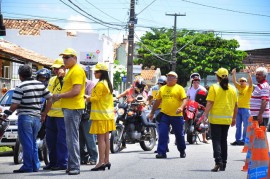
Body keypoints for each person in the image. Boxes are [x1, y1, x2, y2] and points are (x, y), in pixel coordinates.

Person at [3, 65, 52, 173]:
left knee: (26, 143)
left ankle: (28, 166)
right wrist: (44, 113)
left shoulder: (20, 86)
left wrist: (6, 115)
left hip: (25, 117)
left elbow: (15, 104)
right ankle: (35, 166)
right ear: (31, 74)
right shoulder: (40, 85)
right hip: (37, 118)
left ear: (20, 76)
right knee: (33, 142)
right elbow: (50, 98)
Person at [52, 48, 86, 175]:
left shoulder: (77, 70)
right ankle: (71, 165)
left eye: (67, 57)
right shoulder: (71, 70)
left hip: (73, 107)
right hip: (69, 107)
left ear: (74, 58)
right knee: (70, 138)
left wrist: (59, 96)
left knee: (72, 138)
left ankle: (75, 166)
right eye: (63, 58)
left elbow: (76, 91)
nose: (64, 60)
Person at [202, 67, 237, 172]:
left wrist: (205, 115)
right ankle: (224, 164)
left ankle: (218, 161)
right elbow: (236, 105)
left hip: (215, 119)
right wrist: (234, 118)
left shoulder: (214, 87)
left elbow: (210, 102)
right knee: (223, 140)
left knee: (216, 140)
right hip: (227, 119)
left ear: (218, 77)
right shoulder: (233, 89)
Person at [148, 71, 188, 159]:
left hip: (177, 116)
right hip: (164, 115)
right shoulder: (162, 89)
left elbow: (185, 100)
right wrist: (152, 112)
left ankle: (182, 150)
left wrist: (181, 107)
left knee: (179, 134)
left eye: (172, 77)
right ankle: (161, 152)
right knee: (162, 133)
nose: (169, 78)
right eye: (168, 76)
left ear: (176, 79)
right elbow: (157, 101)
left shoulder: (179, 88)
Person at [85, 62, 116, 171]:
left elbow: (95, 98)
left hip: (100, 115)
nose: (94, 73)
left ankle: (101, 162)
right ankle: (106, 161)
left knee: (101, 139)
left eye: (96, 71)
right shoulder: (107, 83)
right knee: (106, 139)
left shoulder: (100, 84)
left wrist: (87, 97)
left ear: (102, 73)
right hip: (107, 115)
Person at [43, 58, 68, 171]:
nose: (56, 70)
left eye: (58, 68)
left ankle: (63, 162)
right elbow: (49, 96)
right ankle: (53, 162)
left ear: (64, 68)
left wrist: (62, 78)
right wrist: (45, 113)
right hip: (51, 114)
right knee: (50, 140)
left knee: (61, 140)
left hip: (62, 115)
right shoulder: (52, 79)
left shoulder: (67, 79)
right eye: (54, 68)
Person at [230, 68, 253, 146]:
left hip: (246, 109)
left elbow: (251, 83)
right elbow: (234, 81)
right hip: (238, 109)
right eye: (241, 81)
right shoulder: (239, 87)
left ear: (246, 82)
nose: (241, 82)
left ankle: (244, 140)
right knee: (238, 125)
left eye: (243, 81)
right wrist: (233, 74)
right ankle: (238, 140)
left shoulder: (249, 88)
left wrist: (249, 75)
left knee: (246, 125)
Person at [147, 75, 169, 153]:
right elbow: (149, 98)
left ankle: (164, 145)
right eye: (160, 83)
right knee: (160, 129)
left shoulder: (166, 89)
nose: (161, 85)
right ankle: (164, 145)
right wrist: (150, 107)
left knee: (162, 129)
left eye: (162, 84)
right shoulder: (156, 89)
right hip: (158, 110)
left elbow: (149, 98)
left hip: (164, 110)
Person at [79, 76, 98, 165]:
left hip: (87, 114)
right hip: (77, 114)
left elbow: (91, 98)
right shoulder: (74, 84)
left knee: (89, 138)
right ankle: (83, 157)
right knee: (80, 138)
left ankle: (93, 157)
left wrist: (82, 96)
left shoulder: (90, 84)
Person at [186, 73, 208, 144]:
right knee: (185, 119)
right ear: (192, 82)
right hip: (191, 107)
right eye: (194, 81)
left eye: (197, 81)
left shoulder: (203, 89)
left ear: (199, 81)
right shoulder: (189, 89)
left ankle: (204, 138)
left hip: (200, 107)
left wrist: (202, 106)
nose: (196, 83)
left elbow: (206, 100)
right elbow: (187, 98)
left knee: (202, 120)